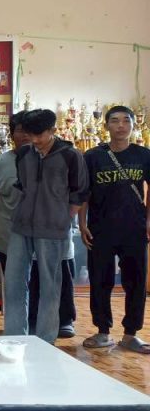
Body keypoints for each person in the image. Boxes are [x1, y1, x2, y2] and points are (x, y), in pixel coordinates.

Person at [3, 109, 88, 343]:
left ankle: (45, 340)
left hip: (53, 229)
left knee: (50, 286)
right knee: (13, 283)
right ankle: (14, 339)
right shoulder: (24, 154)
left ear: (53, 130)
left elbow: (79, 194)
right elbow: (23, 187)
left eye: (40, 135)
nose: (35, 140)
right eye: (31, 134)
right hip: (21, 227)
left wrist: (62, 219)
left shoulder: (71, 156)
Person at [80, 105, 150, 353]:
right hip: (100, 228)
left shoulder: (144, 155)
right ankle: (102, 331)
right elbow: (84, 192)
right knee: (100, 280)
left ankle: (131, 334)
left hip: (134, 228)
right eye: (115, 121)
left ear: (133, 124)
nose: (121, 125)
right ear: (106, 125)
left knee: (136, 281)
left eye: (126, 120)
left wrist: (148, 220)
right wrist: (82, 222)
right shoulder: (92, 157)